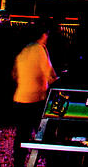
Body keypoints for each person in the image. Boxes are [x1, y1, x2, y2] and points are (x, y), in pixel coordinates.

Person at [12, 20, 58, 167]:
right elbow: (50, 75)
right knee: (46, 135)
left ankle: (18, 162)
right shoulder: (40, 49)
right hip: (36, 99)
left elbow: (14, 74)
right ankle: (51, 161)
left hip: (20, 97)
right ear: (44, 35)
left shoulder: (24, 50)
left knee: (22, 134)